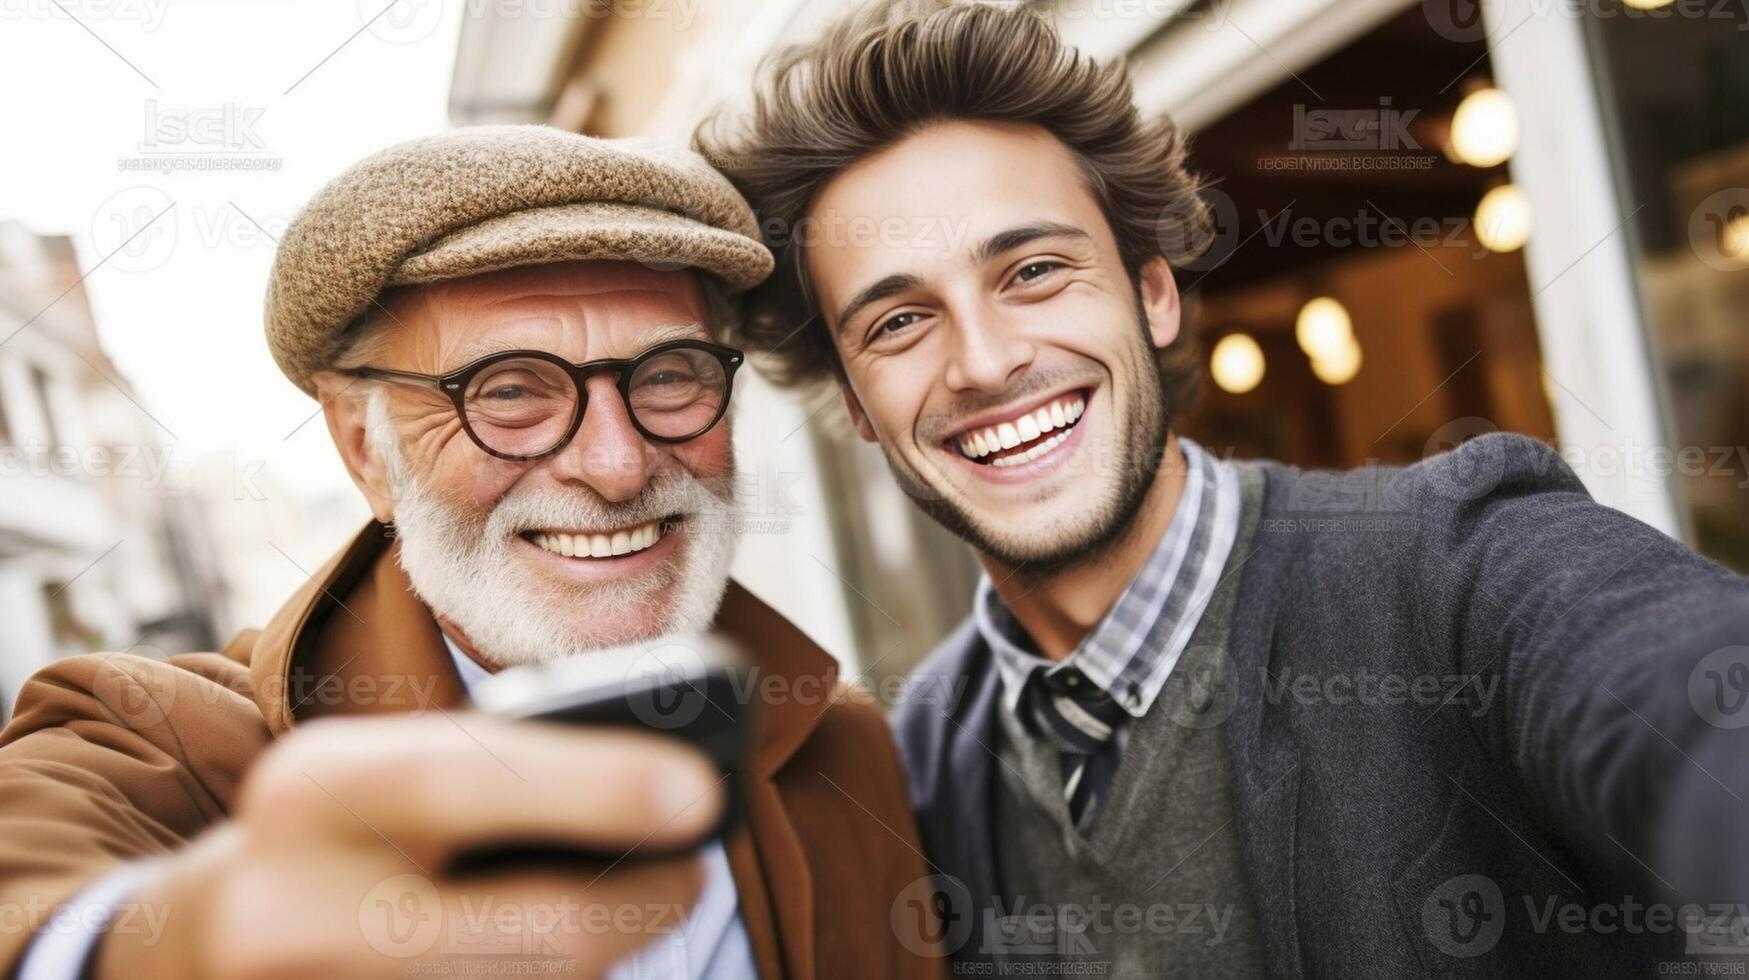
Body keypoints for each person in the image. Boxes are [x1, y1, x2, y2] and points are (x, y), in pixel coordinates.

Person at [697, 2, 1749, 975]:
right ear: (859, 406)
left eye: (1032, 270)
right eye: (898, 321)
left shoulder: (1457, 572)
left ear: (1154, 293)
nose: (981, 360)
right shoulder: (920, 751)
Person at [0, 127, 942, 980]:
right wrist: (175, 945)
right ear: (366, 449)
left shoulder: (846, 750)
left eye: (666, 376)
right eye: (509, 392)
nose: (616, 466)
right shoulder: (162, 739)